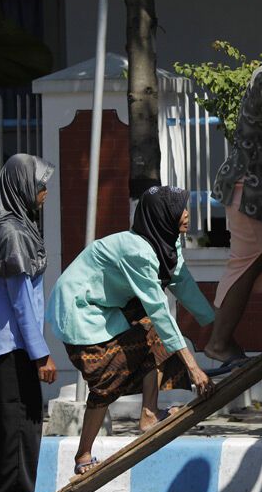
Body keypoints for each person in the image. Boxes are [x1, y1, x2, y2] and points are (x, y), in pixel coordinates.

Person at [47, 186, 215, 476]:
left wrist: (218, 327)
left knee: (154, 337)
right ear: (163, 215)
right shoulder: (138, 250)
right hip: (80, 308)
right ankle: (83, 453)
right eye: (179, 209)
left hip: (108, 306)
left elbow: (183, 284)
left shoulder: (166, 242)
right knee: (106, 378)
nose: (186, 214)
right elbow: (159, 310)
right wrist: (193, 367)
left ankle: (149, 414)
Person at [204, 29, 262, 369]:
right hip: (257, 193)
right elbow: (259, 111)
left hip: (256, 191)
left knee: (248, 262)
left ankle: (220, 341)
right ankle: (218, 342)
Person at [0, 154, 56, 492]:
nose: (44, 193)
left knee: (26, 420)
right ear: (22, 186)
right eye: (40, 185)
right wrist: (42, 354)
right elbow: (21, 301)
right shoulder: (11, 233)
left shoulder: (20, 228)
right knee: (11, 422)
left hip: (18, 344)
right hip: (8, 343)